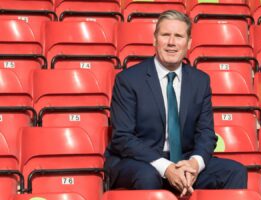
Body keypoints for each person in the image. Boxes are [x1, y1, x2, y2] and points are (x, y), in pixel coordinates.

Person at [104, 10, 247, 195]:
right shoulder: (129, 79)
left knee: (235, 171)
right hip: (139, 160)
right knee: (148, 176)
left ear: (188, 43)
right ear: (155, 40)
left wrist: (194, 164)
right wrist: (166, 167)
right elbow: (122, 137)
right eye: (165, 35)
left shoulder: (200, 81)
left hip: (184, 160)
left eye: (178, 36)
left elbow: (206, 134)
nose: (172, 42)